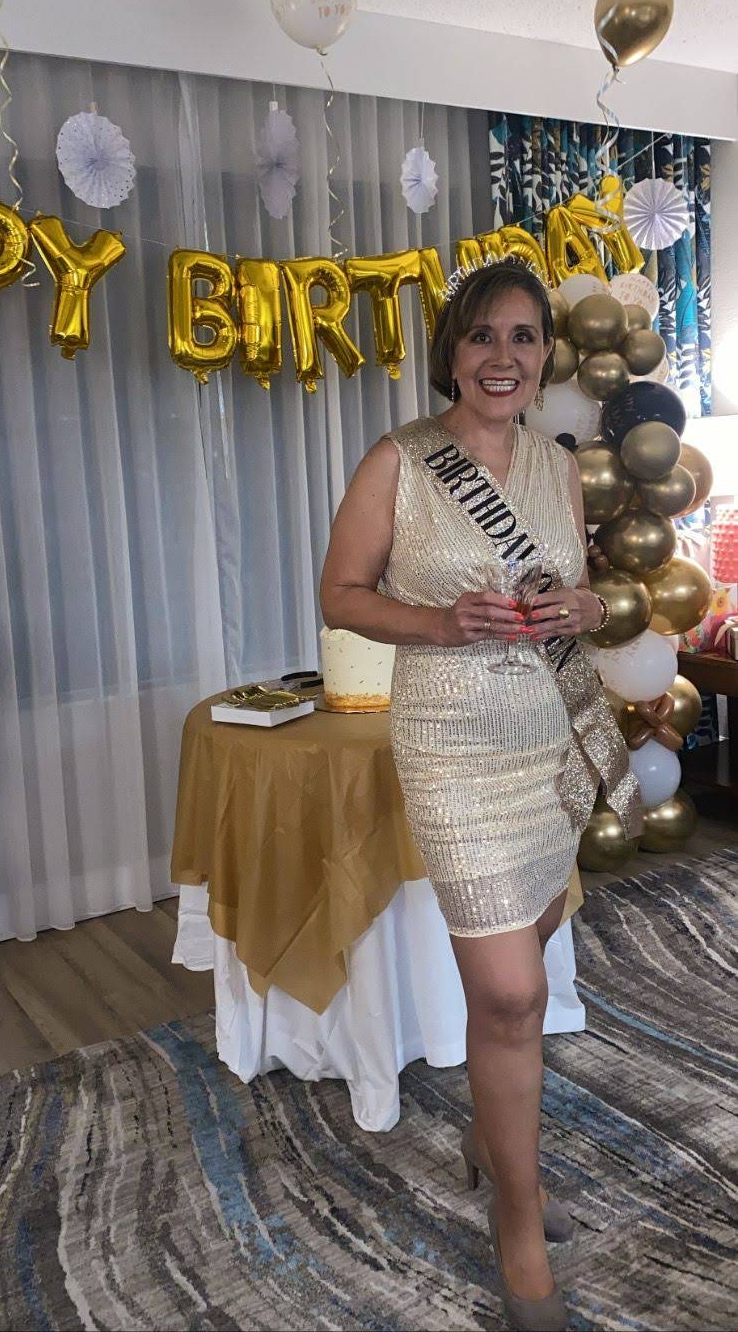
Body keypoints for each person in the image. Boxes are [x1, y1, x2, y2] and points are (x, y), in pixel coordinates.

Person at [319, 260, 641, 1331]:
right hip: (455, 747)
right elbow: (340, 593)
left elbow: (571, 587)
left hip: (546, 735)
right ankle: (518, 1214)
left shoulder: (557, 464)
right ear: (451, 350)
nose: (503, 356)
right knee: (509, 995)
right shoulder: (400, 460)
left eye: (523, 336)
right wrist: (442, 622)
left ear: (545, 351)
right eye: (481, 335)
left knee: (533, 939)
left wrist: (585, 606)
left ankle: (490, 1135)